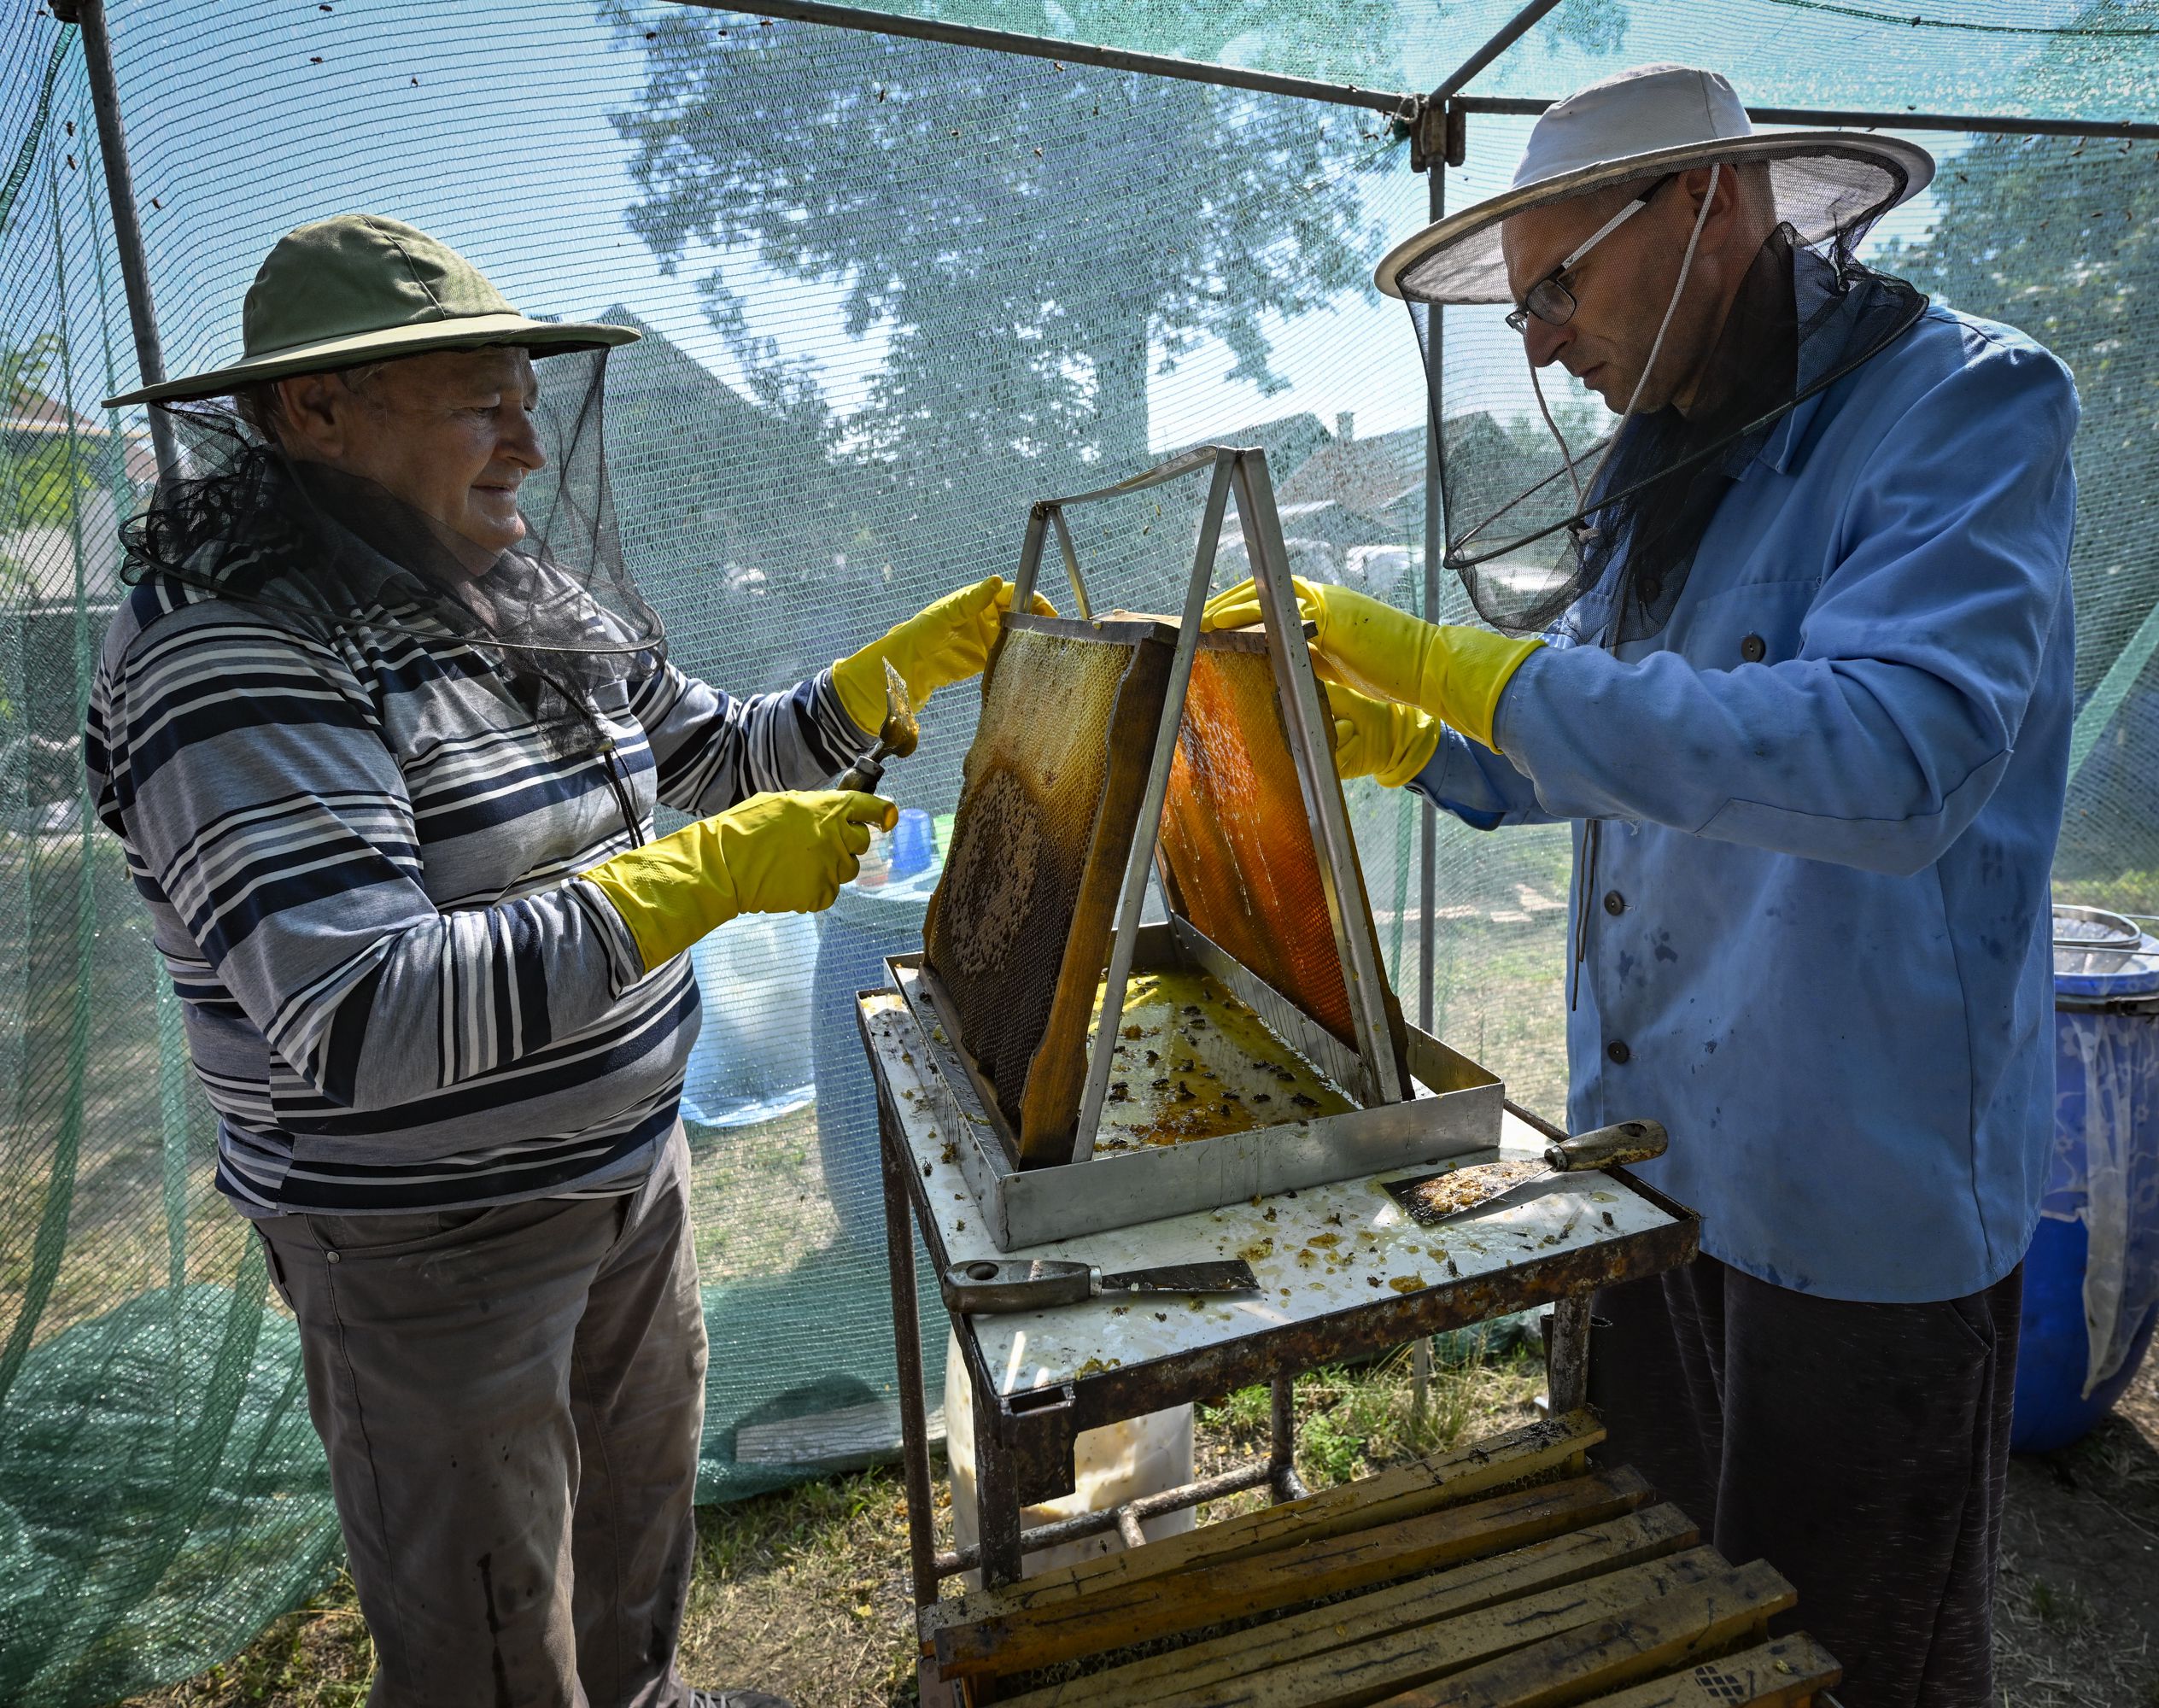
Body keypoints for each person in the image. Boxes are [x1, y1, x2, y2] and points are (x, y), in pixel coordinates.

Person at [86, 214, 1046, 1708]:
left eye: (529, 401)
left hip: (627, 1179)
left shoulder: (515, 593)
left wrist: (887, 672)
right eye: (483, 404)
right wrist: (705, 877)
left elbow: (718, 758)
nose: (528, 447)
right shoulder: (230, 656)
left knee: (631, 1531)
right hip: (428, 1246)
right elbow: (362, 1015)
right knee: (488, 1633)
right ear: (312, 411)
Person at [1212, 64, 2076, 1708]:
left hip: (1855, 1190)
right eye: (1522, 300)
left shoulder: (1969, 407)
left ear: (1707, 206)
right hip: (1650, 1160)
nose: (1537, 340)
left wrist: (1452, 665)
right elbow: (1615, 738)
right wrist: (1409, 735)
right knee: (1664, 1615)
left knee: (1845, 1653)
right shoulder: (1673, 453)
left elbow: (1895, 757)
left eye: (1556, 285)